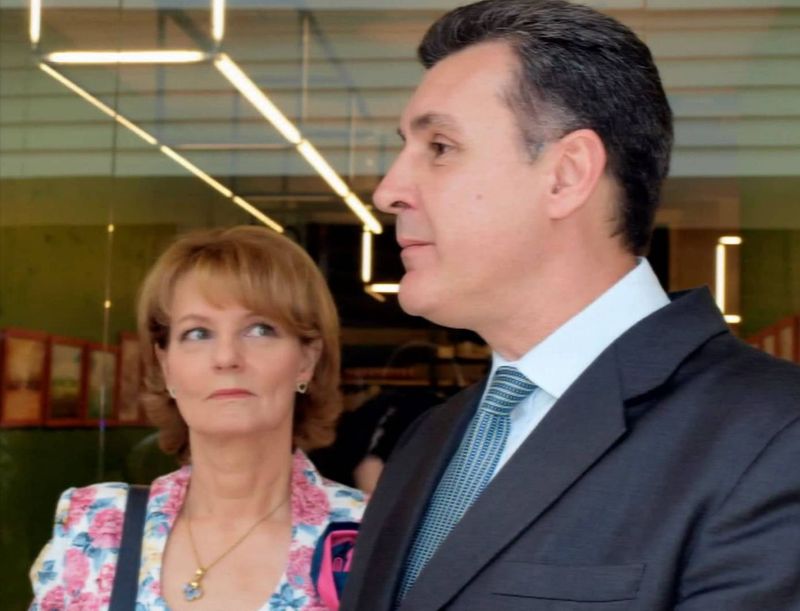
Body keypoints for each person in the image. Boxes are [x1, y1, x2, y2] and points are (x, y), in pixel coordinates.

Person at [340, 1, 800, 610]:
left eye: (441, 147)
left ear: (566, 175)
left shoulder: (772, 438)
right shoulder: (432, 436)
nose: (388, 191)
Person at [30, 226, 366, 610]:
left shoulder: (373, 532)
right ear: (166, 365)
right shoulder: (96, 526)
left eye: (259, 329)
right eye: (197, 333)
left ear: (306, 359)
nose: (226, 357)